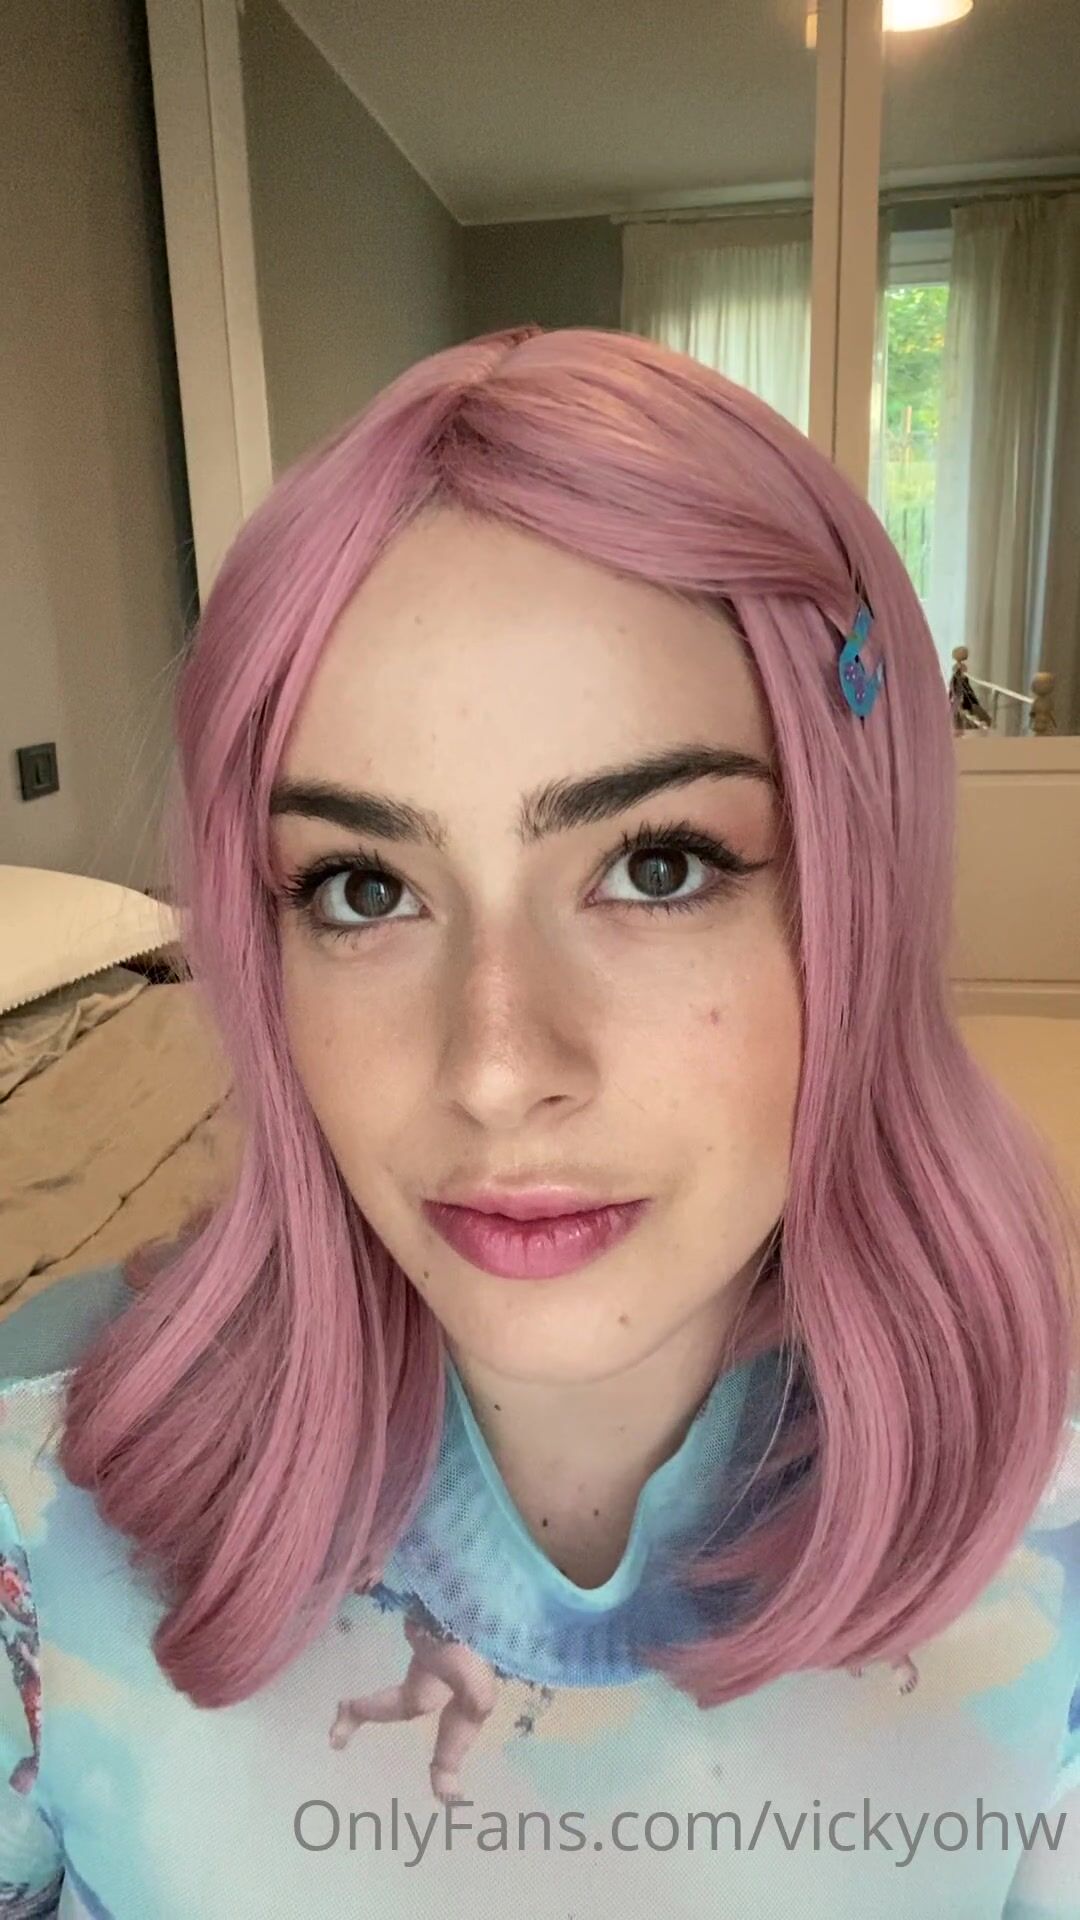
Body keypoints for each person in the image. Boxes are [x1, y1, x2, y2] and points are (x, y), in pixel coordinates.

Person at [1, 326, 1077, 1919]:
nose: (497, 1070)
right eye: (364, 890)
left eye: (657, 866)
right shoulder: (39, 1514)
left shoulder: (1053, 1550)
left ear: (863, 894)